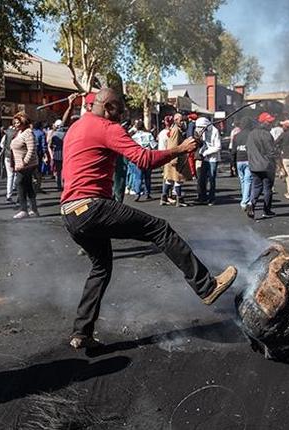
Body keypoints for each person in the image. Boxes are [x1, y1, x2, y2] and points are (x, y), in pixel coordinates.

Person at [59, 88, 237, 349]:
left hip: (69, 213)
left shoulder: (76, 127)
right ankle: (206, 286)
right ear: (108, 108)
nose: (123, 116)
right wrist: (181, 149)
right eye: (120, 110)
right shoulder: (108, 127)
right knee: (159, 229)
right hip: (92, 207)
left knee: (101, 267)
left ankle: (81, 332)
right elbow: (143, 160)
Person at [246, 112, 285, 219]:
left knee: (256, 187)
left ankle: (251, 204)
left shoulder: (251, 134)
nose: (271, 124)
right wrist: (280, 165)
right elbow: (271, 152)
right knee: (268, 188)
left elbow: (248, 149)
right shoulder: (267, 135)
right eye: (269, 122)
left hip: (254, 166)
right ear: (263, 122)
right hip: (267, 166)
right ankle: (266, 210)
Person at [10, 112, 39, 219]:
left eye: (18, 122)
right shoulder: (19, 133)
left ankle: (23, 210)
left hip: (26, 165)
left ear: (24, 122)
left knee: (19, 183)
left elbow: (31, 150)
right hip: (20, 165)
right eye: (15, 122)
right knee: (28, 186)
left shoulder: (28, 133)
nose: (16, 124)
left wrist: (24, 163)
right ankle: (34, 209)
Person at [160, 113, 193, 207]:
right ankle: (179, 200)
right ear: (176, 120)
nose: (183, 122)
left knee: (169, 179)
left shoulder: (174, 129)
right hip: (175, 159)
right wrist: (173, 160)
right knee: (178, 180)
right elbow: (173, 145)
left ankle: (164, 198)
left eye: (183, 120)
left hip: (172, 159)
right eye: (181, 120)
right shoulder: (176, 130)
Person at [194, 117, 221, 205]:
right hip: (205, 159)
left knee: (212, 179)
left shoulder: (215, 131)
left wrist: (205, 152)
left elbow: (218, 146)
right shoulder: (204, 132)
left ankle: (212, 198)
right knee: (202, 178)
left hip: (213, 159)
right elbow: (205, 143)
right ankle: (203, 197)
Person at [233, 116, 254, 209]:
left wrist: (232, 163)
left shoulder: (236, 136)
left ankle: (245, 198)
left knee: (243, 180)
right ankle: (245, 201)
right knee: (248, 180)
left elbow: (233, 150)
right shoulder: (251, 135)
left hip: (239, 160)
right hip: (248, 159)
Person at [49, 119, 66, 192]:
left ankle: (59, 185)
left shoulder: (54, 134)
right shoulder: (66, 133)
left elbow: (50, 144)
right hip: (65, 153)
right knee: (64, 171)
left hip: (57, 154)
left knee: (58, 171)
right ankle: (64, 184)